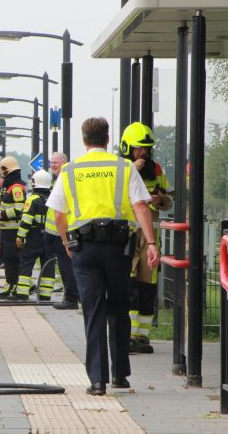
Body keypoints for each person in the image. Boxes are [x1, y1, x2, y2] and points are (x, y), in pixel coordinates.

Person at [47, 117, 159, 396]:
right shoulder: (123, 167)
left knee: (93, 310)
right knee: (119, 307)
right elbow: (141, 207)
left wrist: (65, 242)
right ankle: (120, 375)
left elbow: (59, 214)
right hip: (118, 247)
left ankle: (97, 380)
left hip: (83, 248)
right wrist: (153, 243)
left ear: (84, 140)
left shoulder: (70, 170)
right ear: (108, 139)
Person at [120, 122, 173, 354]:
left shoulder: (157, 170)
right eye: (138, 148)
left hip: (150, 237)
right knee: (129, 286)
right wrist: (132, 168)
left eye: (146, 149)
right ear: (126, 148)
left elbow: (170, 200)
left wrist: (159, 199)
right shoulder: (121, 168)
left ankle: (142, 336)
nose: (143, 153)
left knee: (147, 287)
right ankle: (128, 335)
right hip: (128, 235)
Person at [13, 169, 56, 301]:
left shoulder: (32, 200)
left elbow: (26, 220)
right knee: (48, 265)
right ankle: (45, 295)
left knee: (27, 263)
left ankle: (22, 293)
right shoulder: (53, 199)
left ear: (34, 183)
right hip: (50, 238)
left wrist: (20, 236)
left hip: (34, 238)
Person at [46, 152, 80, 310]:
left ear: (64, 163)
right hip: (62, 231)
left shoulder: (65, 176)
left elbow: (60, 212)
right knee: (67, 264)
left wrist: (64, 237)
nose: (53, 165)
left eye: (56, 162)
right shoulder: (61, 178)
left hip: (67, 231)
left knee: (67, 265)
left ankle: (71, 298)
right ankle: (73, 295)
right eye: (51, 162)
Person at [0, 156, 26, 300]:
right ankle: (10, 284)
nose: (1, 174)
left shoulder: (17, 188)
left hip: (14, 231)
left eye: (2, 172)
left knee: (15, 259)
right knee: (8, 259)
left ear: (7, 171)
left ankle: (17, 285)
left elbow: (20, 209)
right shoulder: (9, 187)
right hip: (6, 232)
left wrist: (2, 214)